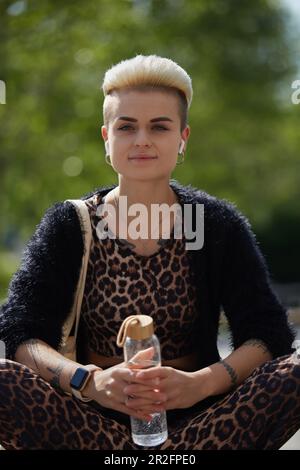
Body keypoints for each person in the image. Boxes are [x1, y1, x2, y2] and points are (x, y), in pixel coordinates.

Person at [0, 54, 299, 450]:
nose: (141, 139)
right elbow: (21, 332)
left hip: (204, 428)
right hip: (87, 428)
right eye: (126, 127)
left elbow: (267, 333)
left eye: (159, 127)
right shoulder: (69, 224)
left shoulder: (214, 223)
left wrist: (199, 384)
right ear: (107, 138)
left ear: (182, 138)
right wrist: (88, 381)